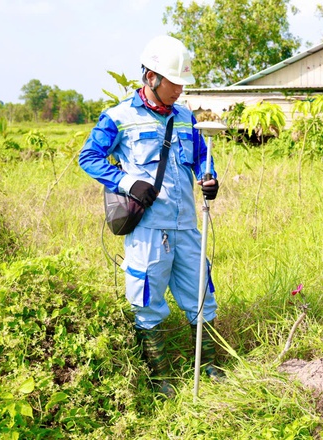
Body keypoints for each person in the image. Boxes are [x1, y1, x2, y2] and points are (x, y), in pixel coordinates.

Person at [79, 35, 223, 396]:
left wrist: (210, 177)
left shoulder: (186, 117)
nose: (178, 90)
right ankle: (159, 379)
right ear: (151, 78)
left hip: (188, 225)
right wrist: (127, 181)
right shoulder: (118, 117)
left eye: (182, 83)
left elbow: (201, 157)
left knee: (202, 296)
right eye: (173, 82)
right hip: (148, 229)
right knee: (147, 302)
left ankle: (209, 367)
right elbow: (89, 157)